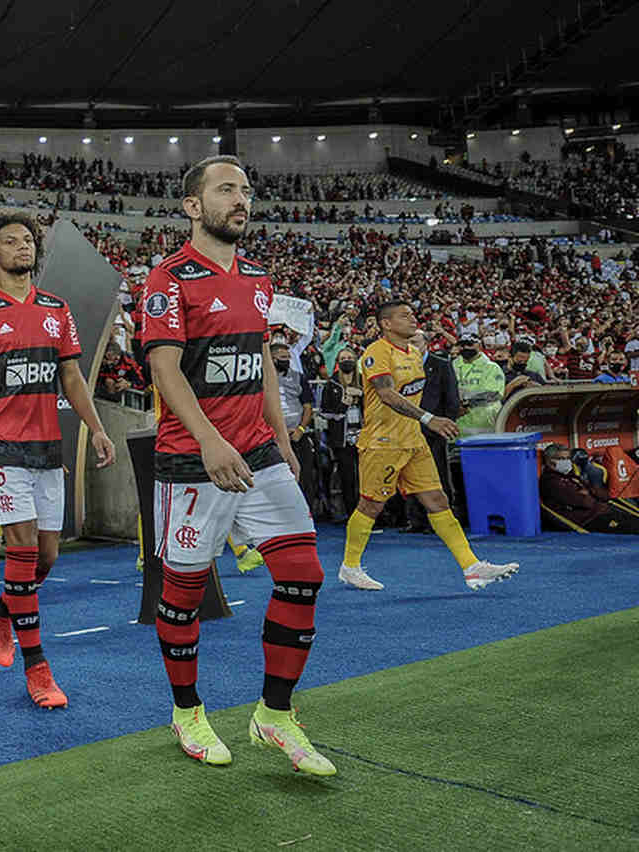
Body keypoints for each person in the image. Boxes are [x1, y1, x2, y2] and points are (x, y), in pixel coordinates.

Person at [141, 155, 333, 776]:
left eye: (246, 190)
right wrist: (207, 442)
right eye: (226, 190)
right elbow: (164, 370)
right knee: (184, 592)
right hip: (192, 458)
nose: (240, 199)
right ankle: (186, 711)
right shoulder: (167, 279)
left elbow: (262, 363)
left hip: (257, 452)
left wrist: (281, 439)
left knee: (303, 575)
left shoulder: (257, 276)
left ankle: (274, 714)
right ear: (193, 206)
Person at [0, 210, 116, 710]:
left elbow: (72, 379)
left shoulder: (57, 308)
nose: (23, 248)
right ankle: (38, 670)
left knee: (49, 557)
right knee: (21, 550)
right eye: (11, 242)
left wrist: (98, 429)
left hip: (46, 447)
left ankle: (1, 609)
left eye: (28, 241)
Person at [339, 301, 519, 592]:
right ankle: (350, 566)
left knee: (438, 500)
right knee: (371, 505)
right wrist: (429, 418)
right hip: (383, 443)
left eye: (412, 314)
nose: (412, 319)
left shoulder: (413, 353)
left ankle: (472, 567)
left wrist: (425, 422)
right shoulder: (376, 352)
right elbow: (386, 394)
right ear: (386, 323)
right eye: (404, 315)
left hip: (413, 441)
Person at [402, 330, 461, 533]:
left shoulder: (441, 365)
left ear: (426, 343)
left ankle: (441, 520)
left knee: (438, 475)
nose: (411, 345)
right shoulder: (402, 364)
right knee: (409, 476)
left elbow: (452, 399)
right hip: (407, 430)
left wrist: (446, 425)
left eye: (415, 341)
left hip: (434, 431)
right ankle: (416, 520)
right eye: (408, 341)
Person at [539, 443, 639, 533]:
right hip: (587, 520)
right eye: (561, 459)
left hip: (601, 512)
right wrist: (590, 494)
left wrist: (589, 492)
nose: (567, 462)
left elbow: (603, 495)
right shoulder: (551, 482)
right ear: (549, 461)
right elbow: (584, 502)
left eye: (568, 458)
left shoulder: (571, 476)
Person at [269, 340, 317, 513]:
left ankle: (307, 512)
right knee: (277, 477)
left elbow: (307, 406)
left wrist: (300, 429)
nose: (286, 360)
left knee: (305, 475)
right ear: (271, 358)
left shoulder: (298, 377)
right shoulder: (261, 378)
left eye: (288, 357)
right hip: (271, 438)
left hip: (297, 434)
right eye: (282, 357)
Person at [320, 347, 362, 521]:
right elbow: (325, 412)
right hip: (341, 439)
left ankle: (370, 515)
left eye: (350, 357)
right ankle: (352, 515)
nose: (347, 361)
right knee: (347, 478)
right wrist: (344, 405)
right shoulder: (331, 384)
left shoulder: (364, 382)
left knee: (365, 478)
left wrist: (362, 396)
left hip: (363, 436)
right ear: (338, 361)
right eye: (343, 358)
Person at [453, 334, 505, 435]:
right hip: (458, 427)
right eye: (462, 345)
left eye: (469, 344)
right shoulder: (452, 365)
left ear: (479, 345)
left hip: (485, 425)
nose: (465, 348)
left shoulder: (491, 367)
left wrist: (467, 405)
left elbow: (494, 394)